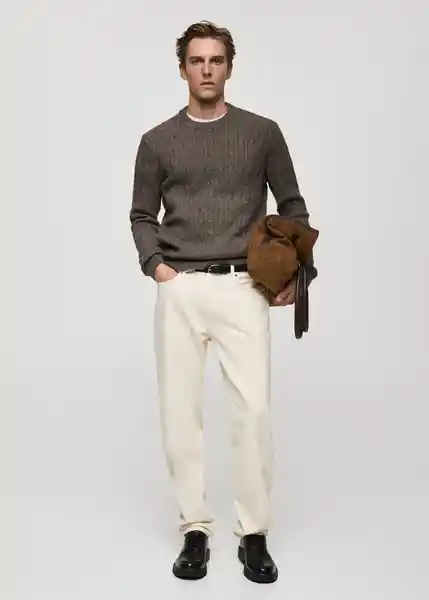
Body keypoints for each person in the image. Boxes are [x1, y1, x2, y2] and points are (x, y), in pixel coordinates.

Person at [129, 20, 317, 584]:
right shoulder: (157, 141)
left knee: (253, 412)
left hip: (242, 287)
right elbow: (141, 214)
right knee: (179, 413)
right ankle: (194, 528)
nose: (206, 70)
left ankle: (253, 533)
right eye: (197, 61)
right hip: (181, 287)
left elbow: (293, 206)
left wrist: (296, 272)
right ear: (182, 69)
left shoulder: (262, 133)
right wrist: (157, 267)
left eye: (216, 60)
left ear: (230, 67)